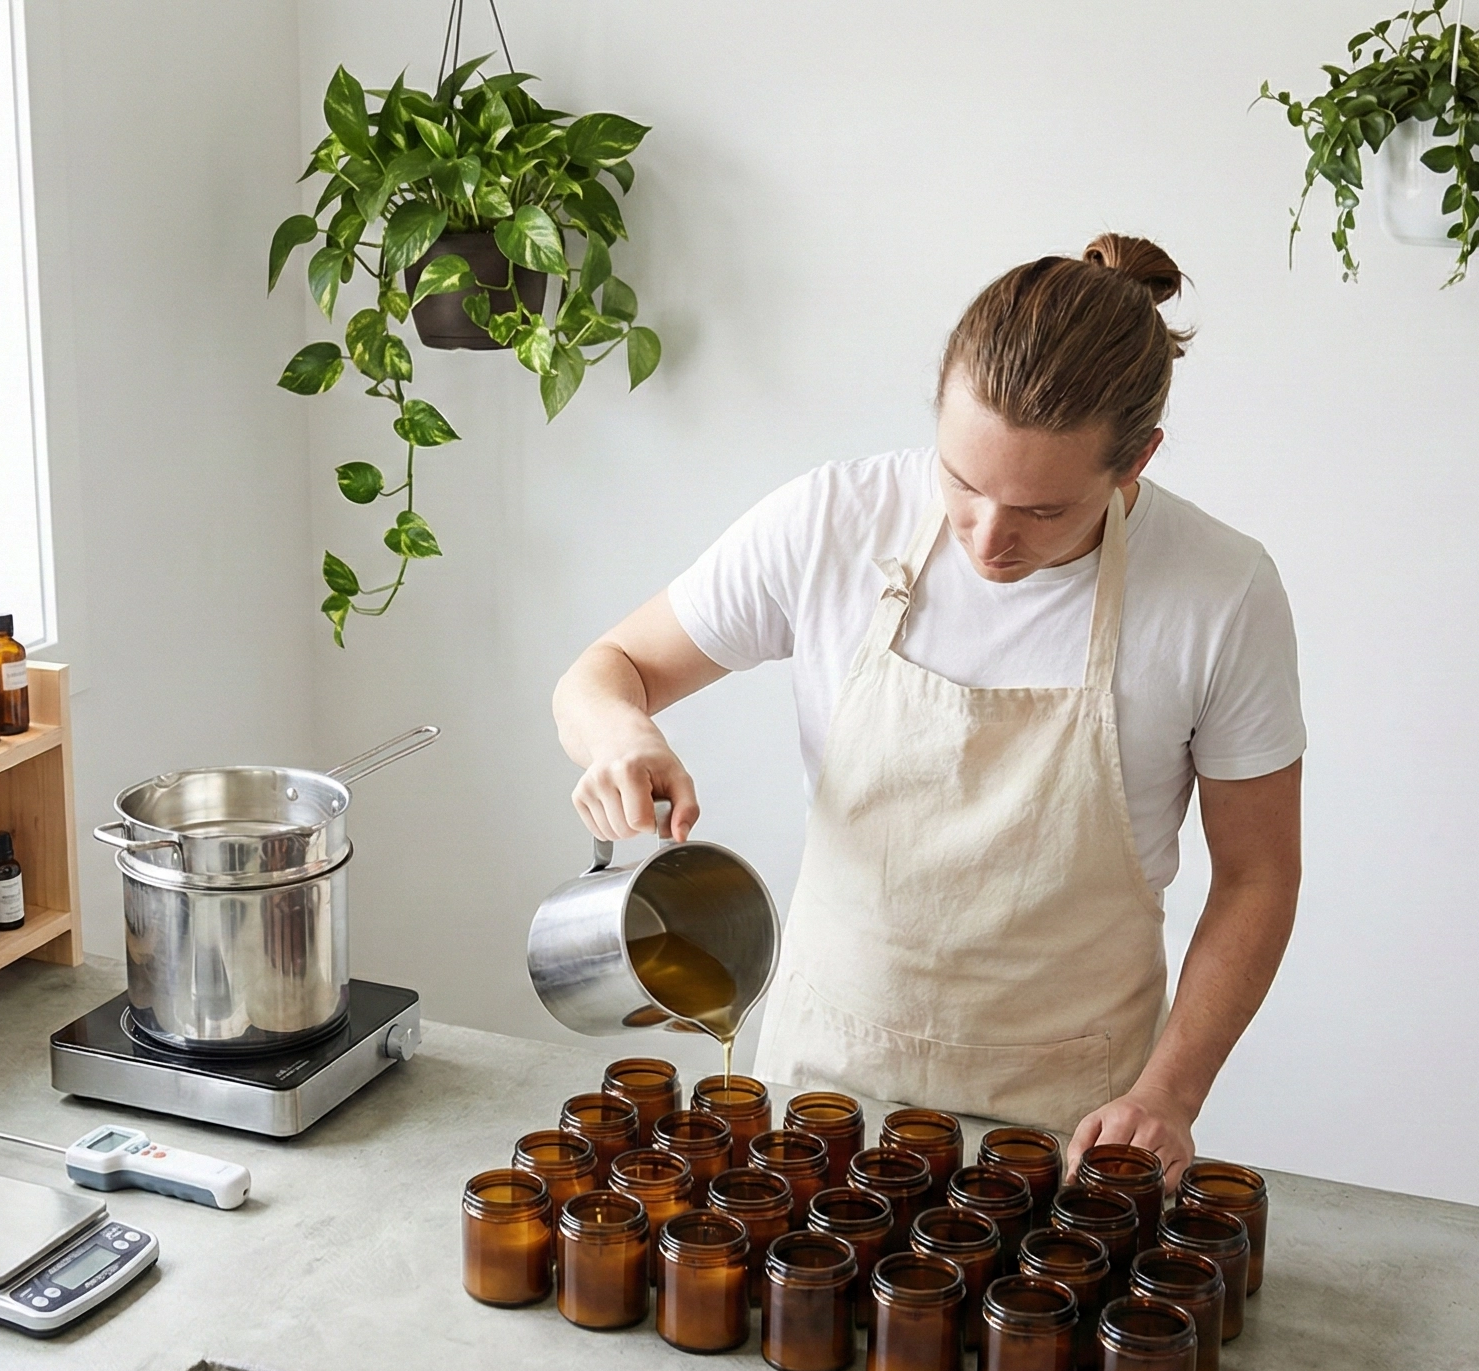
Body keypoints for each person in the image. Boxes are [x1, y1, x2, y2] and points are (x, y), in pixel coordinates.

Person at [550, 235, 1302, 1186]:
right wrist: (623, 736)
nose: (988, 539)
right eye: (962, 481)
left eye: (1041, 512)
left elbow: (1258, 877)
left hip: (1065, 1121)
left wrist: (1170, 1095)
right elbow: (606, 670)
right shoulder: (831, 521)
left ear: (1136, 462)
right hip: (821, 1086)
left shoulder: (1220, 593)